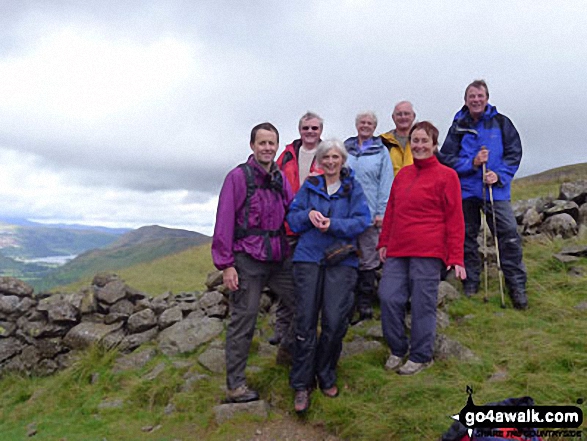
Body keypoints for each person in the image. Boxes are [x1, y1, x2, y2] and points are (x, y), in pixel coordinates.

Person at [211, 122, 294, 403]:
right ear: (252, 146)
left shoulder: (280, 179)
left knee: (303, 304)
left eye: (272, 143)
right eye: (262, 143)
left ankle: (288, 355)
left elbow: (293, 212)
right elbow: (224, 220)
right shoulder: (238, 177)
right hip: (247, 259)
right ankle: (235, 386)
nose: (267, 148)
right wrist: (226, 264)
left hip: (278, 256)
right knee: (243, 320)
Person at [286, 138, 370, 413]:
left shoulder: (352, 188)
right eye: (327, 157)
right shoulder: (309, 187)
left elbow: (362, 221)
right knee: (305, 322)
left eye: (336, 157)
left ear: (342, 161)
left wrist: (332, 224)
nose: (331, 162)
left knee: (334, 323)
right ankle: (301, 383)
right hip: (308, 258)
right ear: (320, 162)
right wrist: (309, 214)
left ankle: (326, 374)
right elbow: (292, 218)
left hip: (341, 260)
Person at [378, 121, 466, 376]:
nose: (418, 145)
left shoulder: (447, 176)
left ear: (434, 145)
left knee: (422, 304)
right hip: (397, 248)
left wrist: (456, 256)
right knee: (388, 296)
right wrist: (383, 242)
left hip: (429, 251)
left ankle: (420, 356)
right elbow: (392, 211)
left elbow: (455, 218)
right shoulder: (403, 175)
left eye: (424, 141)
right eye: (415, 141)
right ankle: (397, 348)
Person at [439, 80, 528, 309]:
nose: (476, 100)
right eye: (471, 97)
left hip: (495, 191)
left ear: (487, 98)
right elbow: (446, 158)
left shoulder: (501, 123)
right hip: (466, 190)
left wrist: (499, 175)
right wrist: (472, 163)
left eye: (480, 96)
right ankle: (470, 281)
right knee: (467, 237)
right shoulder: (458, 125)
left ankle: (516, 286)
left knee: (507, 235)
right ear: (465, 100)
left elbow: (514, 153)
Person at [269, 112, 324, 346]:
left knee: (309, 281)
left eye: (314, 128)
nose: (310, 132)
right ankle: (282, 330)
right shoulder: (288, 153)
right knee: (287, 280)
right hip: (289, 226)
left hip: (314, 228)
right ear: (299, 130)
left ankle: (307, 329)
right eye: (306, 128)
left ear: (321, 130)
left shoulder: (328, 153)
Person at [344, 111, 393, 322]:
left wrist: (382, 211)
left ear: (375, 127)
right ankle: (347, 303)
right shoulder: (345, 149)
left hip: (371, 214)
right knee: (346, 255)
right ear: (356, 125)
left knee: (369, 259)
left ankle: (364, 303)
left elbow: (386, 183)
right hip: (345, 215)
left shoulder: (381, 152)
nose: (365, 126)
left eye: (370, 123)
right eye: (362, 122)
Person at [380, 101, 416, 176]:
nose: (403, 117)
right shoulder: (382, 142)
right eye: (399, 114)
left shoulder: (423, 143)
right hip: (391, 187)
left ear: (413, 116)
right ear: (393, 117)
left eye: (406, 114)